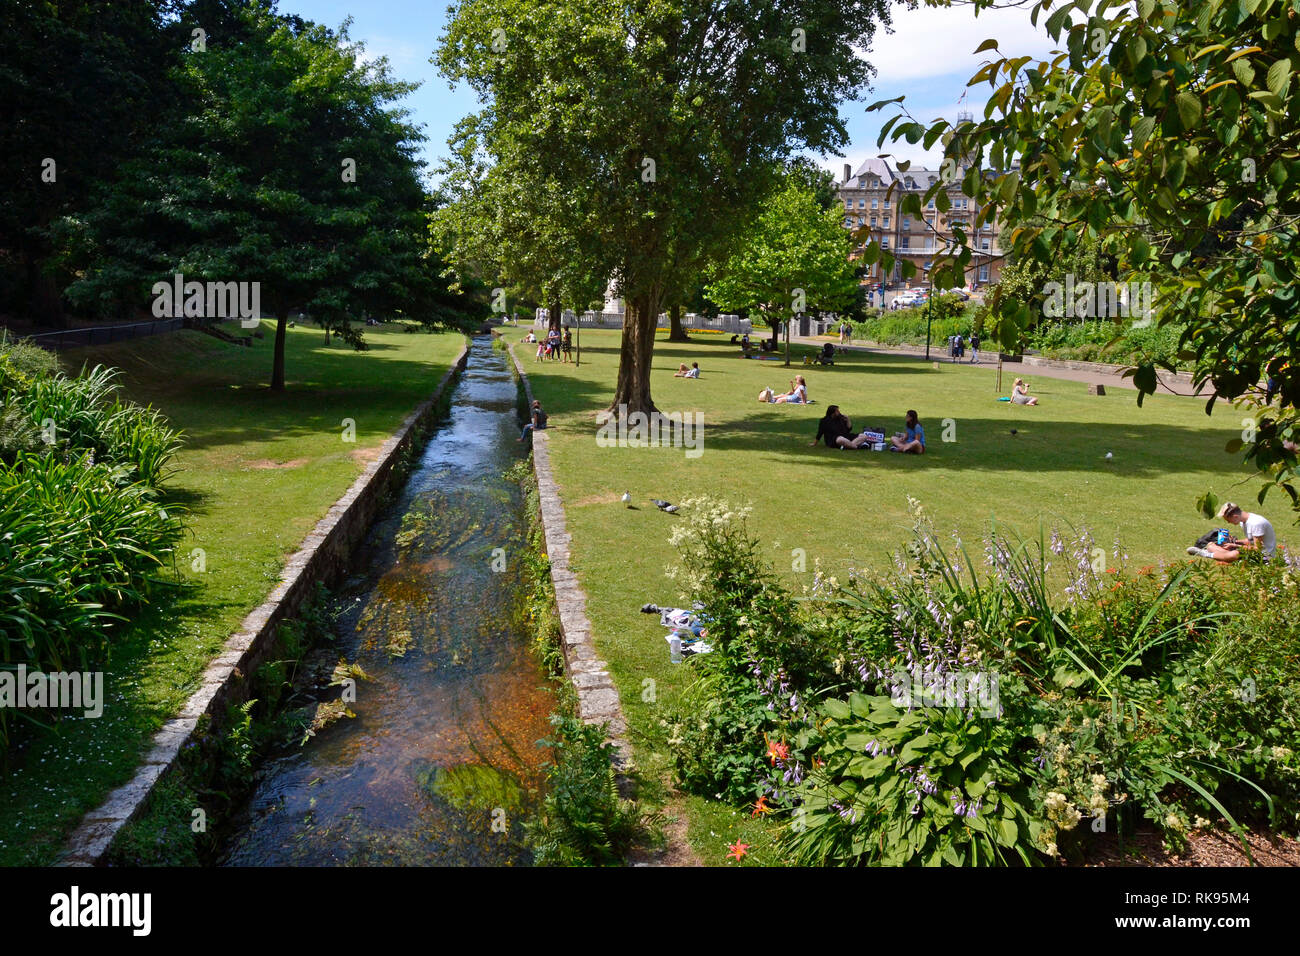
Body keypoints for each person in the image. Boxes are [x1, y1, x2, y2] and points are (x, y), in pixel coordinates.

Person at [1190, 502, 1277, 562]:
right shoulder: (1244, 522)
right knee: (1210, 545)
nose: (1228, 522)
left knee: (1235, 554)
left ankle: (1207, 554)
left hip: (1263, 557)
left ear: (1235, 516)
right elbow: (1250, 540)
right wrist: (1234, 542)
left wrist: (1235, 546)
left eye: (1228, 520)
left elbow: (1258, 549)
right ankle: (1216, 553)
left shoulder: (1256, 523)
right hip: (1252, 551)